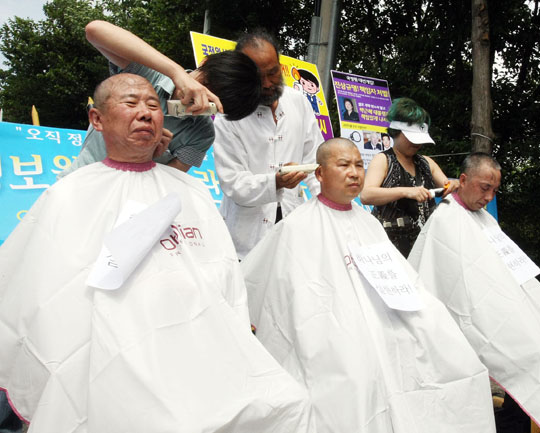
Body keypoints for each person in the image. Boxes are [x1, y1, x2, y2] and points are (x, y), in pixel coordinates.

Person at [0, 74, 314, 433]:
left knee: (289, 402)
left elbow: (221, 273)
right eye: (130, 104)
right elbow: (42, 291)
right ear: (97, 119)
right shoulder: (69, 194)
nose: (146, 114)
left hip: (193, 347)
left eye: (153, 106)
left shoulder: (188, 193)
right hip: (107, 350)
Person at [241, 138, 496, 433]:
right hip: (327, 334)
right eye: (343, 165)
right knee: (355, 373)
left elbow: (402, 281)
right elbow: (279, 292)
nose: (354, 173)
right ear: (320, 174)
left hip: (381, 322)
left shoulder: (369, 224)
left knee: (453, 357)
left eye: (359, 165)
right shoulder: (296, 227)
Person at [409, 152, 540, 433]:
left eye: (495, 190)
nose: (489, 197)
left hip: (499, 309)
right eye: (485, 188)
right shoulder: (446, 219)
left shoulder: (483, 220)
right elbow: (454, 285)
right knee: (534, 353)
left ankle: (519, 419)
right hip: (469, 318)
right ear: (464, 180)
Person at [58, 20, 261, 178]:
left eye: (209, 104)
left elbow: (169, 181)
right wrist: (177, 73)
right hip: (77, 186)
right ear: (204, 62)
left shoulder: (202, 134)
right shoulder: (148, 74)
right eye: (203, 84)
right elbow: (94, 30)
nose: (196, 97)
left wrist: (147, 158)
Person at [213, 29, 323, 259]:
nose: (267, 83)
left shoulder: (298, 102)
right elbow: (233, 182)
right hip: (245, 238)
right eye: (257, 77)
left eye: (273, 73)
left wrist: (324, 207)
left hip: (293, 226)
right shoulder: (229, 115)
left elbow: (315, 162)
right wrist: (275, 182)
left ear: (280, 66)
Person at [361, 97, 459, 257]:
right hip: (389, 247)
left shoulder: (427, 162)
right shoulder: (383, 160)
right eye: (411, 138)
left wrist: (453, 186)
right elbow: (366, 195)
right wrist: (406, 191)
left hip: (424, 245)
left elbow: (448, 186)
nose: (417, 144)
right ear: (395, 132)